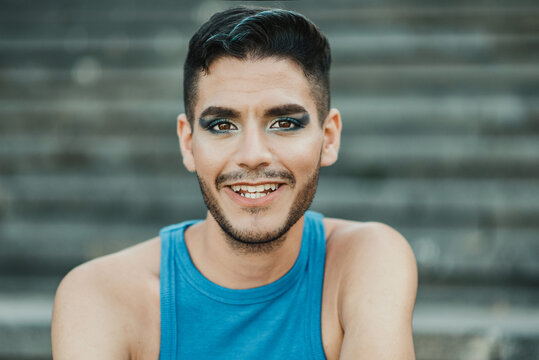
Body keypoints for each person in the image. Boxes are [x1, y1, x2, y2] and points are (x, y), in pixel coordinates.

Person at [51, 6, 417, 359]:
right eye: (222, 125)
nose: (253, 154)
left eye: (285, 123)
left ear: (330, 137)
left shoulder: (366, 259)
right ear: (188, 142)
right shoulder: (100, 295)